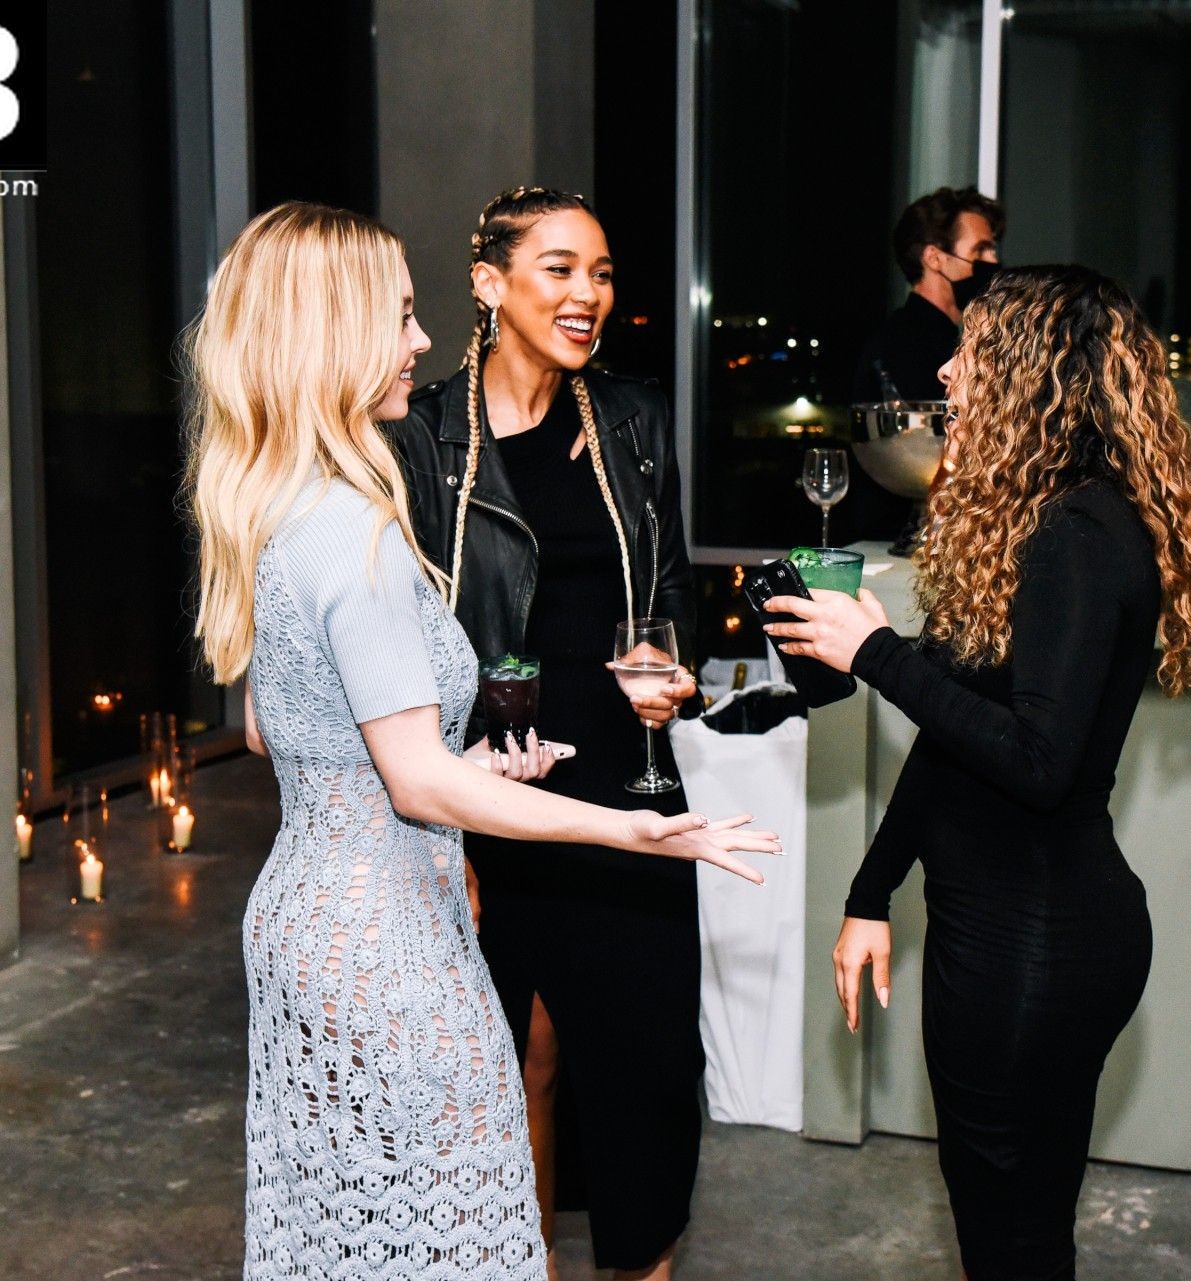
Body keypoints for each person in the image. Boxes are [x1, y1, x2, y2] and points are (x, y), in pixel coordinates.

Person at [183, 201, 779, 1280]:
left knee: (357, 1235)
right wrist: (627, 831)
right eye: (399, 317)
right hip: (398, 914)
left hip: (323, 899)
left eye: (604, 270)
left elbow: (281, 729)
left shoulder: (282, 505)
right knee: (456, 1215)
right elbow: (410, 778)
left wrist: (460, 764)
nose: (418, 340)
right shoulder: (370, 503)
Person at [766, 265, 1191, 1280]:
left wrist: (875, 654)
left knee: (1006, 1240)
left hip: (1031, 948)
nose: (946, 371)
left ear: (1031, 375)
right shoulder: (1049, 522)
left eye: (971, 353)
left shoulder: (1076, 534)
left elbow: (1036, 762)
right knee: (1024, 1232)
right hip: (1027, 933)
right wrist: (871, 891)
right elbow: (959, 739)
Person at [382, 187, 702, 1281]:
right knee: (509, 1064)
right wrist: (442, 820)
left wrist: (671, 669)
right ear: (490, 283)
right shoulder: (420, 436)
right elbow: (400, 640)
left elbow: (670, 589)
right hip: (485, 782)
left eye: (601, 273)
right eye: (559, 268)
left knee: (648, 1072)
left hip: (625, 778)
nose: (587, 294)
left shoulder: (634, 418)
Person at [850, 185, 1004, 405]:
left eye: (992, 250)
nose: (993, 261)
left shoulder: (939, 338)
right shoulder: (903, 347)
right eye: (980, 250)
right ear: (934, 258)